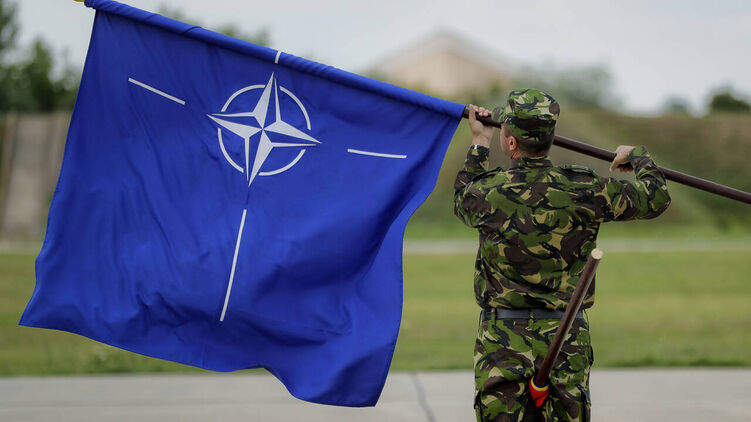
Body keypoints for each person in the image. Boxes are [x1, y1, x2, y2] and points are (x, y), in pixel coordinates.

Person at [453, 89, 671, 422]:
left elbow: (462, 199)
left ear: (510, 142)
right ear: (550, 137)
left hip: (502, 339)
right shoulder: (585, 188)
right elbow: (655, 197)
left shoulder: (488, 192)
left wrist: (480, 142)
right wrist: (637, 155)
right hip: (566, 335)